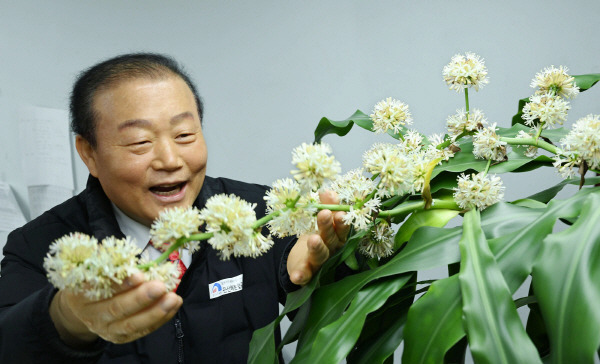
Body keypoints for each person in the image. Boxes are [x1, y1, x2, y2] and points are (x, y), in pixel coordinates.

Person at [0, 53, 348, 363]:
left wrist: (326, 265)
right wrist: (66, 317)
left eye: (184, 135)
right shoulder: (37, 245)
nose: (170, 160)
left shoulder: (258, 212)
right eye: (140, 142)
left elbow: (346, 307)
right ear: (89, 152)